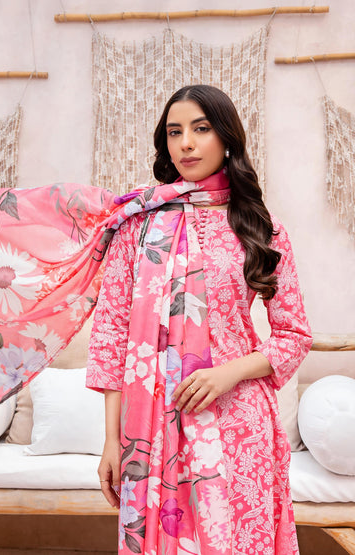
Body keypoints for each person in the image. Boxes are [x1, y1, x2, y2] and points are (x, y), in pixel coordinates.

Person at [86, 84, 312, 555]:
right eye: (175, 132)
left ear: (226, 138)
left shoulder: (261, 228)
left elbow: (293, 335)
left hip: (239, 423)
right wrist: (111, 441)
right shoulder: (137, 224)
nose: (186, 143)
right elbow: (111, 333)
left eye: (201, 129)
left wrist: (229, 372)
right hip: (152, 429)